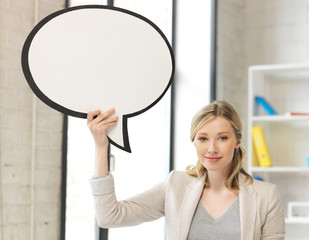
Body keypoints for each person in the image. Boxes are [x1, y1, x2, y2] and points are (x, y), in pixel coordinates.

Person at [88, 100, 285, 240]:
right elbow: (109, 216)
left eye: (222, 138)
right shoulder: (176, 185)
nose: (212, 148)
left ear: (237, 142)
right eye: (203, 138)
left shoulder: (266, 195)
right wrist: (101, 146)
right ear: (194, 141)